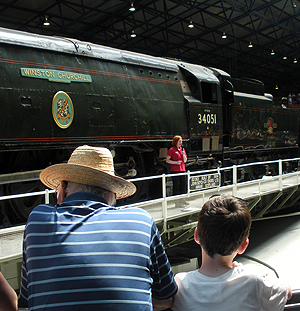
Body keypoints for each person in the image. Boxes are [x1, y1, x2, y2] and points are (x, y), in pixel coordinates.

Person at [20, 145, 177, 311]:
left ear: (63, 188)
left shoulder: (37, 220)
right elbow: (166, 299)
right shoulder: (141, 221)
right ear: (114, 196)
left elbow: (28, 296)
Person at [172, 195, 292, 311]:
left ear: (196, 235)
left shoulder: (180, 285)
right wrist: (242, 270)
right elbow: (287, 291)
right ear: (243, 246)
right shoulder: (256, 279)